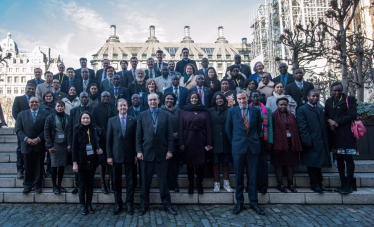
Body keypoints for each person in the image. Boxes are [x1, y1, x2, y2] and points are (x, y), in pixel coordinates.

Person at [136, 93, 177, 216]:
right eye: (150, 100)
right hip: (146, 153)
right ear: (147, 102)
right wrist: (138, 151)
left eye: (154, 100)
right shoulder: (142, 115)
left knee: (163, 181)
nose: (153, 102)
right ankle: (144, 205)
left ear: (159, 101)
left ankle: (167, 205)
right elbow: (138, 136)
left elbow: (170, 135)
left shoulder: (165, 115)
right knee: (145, 181)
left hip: (162, 153)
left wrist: (170, 150)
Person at [225, 90, 265, 215]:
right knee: (239, 176)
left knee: (252, 176)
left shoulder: (255, 111)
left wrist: (252, 140)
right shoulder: (232, 111)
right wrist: (236, 141)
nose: (242, 101)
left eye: (244, 98)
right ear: (236, 100)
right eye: (239, 99)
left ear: (248, 98)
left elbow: (259, 128)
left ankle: (254, 202)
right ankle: (239, 203)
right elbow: (228, 129)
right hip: (238, 147)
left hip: (253, 147)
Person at [297, 90, 332, 193]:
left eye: (317, 96)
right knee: (312, 164)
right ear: (308, 97)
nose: (315, 98)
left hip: (321, 141)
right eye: (313, 96)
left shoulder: (320, 109)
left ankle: (320, 183)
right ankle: (314, 184)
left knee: (319, 164)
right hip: (311, 141)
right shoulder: (302, 109)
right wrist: (307, 141)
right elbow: (302, 127)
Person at [325, 82, 357, 194]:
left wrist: (337, 122)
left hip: (346, 133)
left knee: (348, 159)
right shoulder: (329, 101)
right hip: (334, 134)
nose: (337, 92)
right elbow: (327, 115)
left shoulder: (349, 99)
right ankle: (342, 183)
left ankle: (349, 184)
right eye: (335, 90)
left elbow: (352, 114)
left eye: (339, 90)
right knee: (339, 160)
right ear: (331, 90)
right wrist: (329, 121)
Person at [107, 99, 137, 215]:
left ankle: (129, 203)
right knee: (117, 181)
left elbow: (136, 139)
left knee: (130, 180)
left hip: (130, 155)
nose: (123, 107)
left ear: (127, 107)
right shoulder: (112, 120)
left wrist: (135, 154)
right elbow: (109, 140)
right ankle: (118, 203)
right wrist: (109, 156)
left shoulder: (133, 120)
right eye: (121, 106)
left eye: (125, 105)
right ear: (117, 107)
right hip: (116, 155)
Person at [179, 91, 212, 194]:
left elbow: (208, 127)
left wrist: (209, 142)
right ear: (189, 99)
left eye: (196, 98)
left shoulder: (204, 111)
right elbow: (180, 127)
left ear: (199, 99)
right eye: (192, 98)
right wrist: (181, 143)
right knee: (190, 164)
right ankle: (191, 183)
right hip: (188, 139)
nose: (194, 100)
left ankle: (200, 183)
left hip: (201, 140)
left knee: (201, 163)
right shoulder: (184, 110)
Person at [15, 97, 48, 194]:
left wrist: (38, 138)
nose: (34, 103)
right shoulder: (21, 114)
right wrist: (27, 139)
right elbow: (18, 129)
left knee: (39, 166)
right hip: (26, 144)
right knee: (27, 166)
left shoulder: (45, 113)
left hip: (39, 144)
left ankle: (37, 185)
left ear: (39, 103)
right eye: (32, 102)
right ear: (29, 104)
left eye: (36, 102)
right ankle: (27, 185)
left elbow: (46, 129)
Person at [72, 112, 102, 215]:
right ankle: (82, 205)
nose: (86, 120)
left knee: (90, 184)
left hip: (92, 160)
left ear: (90, 119)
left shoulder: (93, 129)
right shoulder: (77, 131)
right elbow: (74, 148)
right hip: (81, 160)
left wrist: (99, 149)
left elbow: (96, 143)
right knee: (81, 184)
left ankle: (89, 204)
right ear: (80, 119)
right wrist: (74, 163)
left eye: (87, 118)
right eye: (84, 118)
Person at [272, 97, 302, 193]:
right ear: (277, 105)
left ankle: (290, 183)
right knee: (279, 164)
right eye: (281, 104)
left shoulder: (292, 116)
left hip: (291, 142)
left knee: (290, 164)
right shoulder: (273, 115)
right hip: (278, 142)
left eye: (285, 104)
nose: (283, 106)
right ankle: (280, 183)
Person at [92, 91, 118, 194]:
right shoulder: (96, 108)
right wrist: (100, 130)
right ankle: (103, 183)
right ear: (101, 97)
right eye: (104, 96)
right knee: (102, 162)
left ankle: (111, 182)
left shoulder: (113, 107)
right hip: (101, 139)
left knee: (111, 162)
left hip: (113, 139)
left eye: (108, 96)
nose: (106, 98)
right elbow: (93, 123)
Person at [68, 92, 94, 194]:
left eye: (86, 97)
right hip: (77, 140)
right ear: (79, 98)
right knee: (78, 165)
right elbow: (70, 127)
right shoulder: (74, 110)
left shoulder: (92, 109)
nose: (84, 99)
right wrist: (69, 142)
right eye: (82, 97)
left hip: (89, 141)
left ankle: (86, 185)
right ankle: (77, 185)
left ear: (88, 98)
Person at [209, 92, 233, 192]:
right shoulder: (209, 111)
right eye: (217, 99)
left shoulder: (230, 110)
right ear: (214, 100)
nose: (219, 100)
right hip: (215, 140)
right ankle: (217, 184)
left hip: (226, 139)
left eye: (221, 98)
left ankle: (226, 183)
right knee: (216, 163)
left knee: (226, 163)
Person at [44, 101, 70, 195]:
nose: (60, 108)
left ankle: (59, 185)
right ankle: (54, 186)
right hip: (54, 144)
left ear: (64, 107)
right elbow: (46, 131)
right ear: (55, 107)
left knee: (62, 166)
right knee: (54, 165)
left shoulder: (67, 117)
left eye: (62, 106)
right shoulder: (50, 117)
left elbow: (70, 132)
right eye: (58, 106)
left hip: (64, 144)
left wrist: (69, 144)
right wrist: (49, 145)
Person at [249, 90, 273, 194]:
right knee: (251, 164)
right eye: (253, 96)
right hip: (251, 139)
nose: (255, 98)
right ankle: (251, 185)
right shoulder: (247, 109)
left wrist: (269, 141)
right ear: (250, 98)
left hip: (263, 138)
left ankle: (263, 185)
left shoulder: (266, 109)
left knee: (262, 164)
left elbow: (270, 126)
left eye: (257, 96)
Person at [12, 83, 36, 179]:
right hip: (22, 128)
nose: (30, 90)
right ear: (25, 89)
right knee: (20, 149)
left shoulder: (36, 100)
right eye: (29, 88)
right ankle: (20, 170)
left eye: (32, 89)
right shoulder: (18, 99)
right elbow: (15, 112)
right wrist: (21, 123)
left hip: (34, 129)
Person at [160, 92, 181, 192]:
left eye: (171, 99)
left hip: (176, 142)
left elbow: (181, 123)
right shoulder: (160, 110)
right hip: (165, 142)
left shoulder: (178, 110)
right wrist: (170, 134)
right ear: (164, 100)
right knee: (166, 165)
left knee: (175, 165)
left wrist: (178, 133)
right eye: (167, 99)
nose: (169, 100)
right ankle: (167, 185)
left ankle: (175, 184)